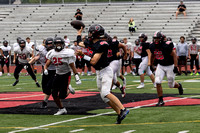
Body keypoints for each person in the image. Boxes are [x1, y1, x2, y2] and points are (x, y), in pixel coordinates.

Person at [76, 25, 129, 124]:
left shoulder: (102, 44)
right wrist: (79, 33)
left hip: (105, 70)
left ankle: (123, 109)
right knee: (104, 97)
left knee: (105, 92)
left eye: (91, 32)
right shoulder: (92, 42)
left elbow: (93, 62)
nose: (89, 34)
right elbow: (80, 43)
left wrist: (83, 55)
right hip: (99, 71)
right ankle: (119, 114)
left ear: (95, 34)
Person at [44, 37, 81, 115]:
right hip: (57, 74)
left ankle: (69, 90)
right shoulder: (52, 53)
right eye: (57, 43)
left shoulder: (67, 53)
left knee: (62, 96)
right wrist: (45, 70)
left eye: (60, 43)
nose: (58, 45)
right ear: (54, 44)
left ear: (63, 44)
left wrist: (77, 77)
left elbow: (72, 66)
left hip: (66, 75)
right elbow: (47, 64)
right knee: (53, 93)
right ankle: (61, 109)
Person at [150, 31, 183, 106]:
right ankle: (161, 100)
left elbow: (174, 55)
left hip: (169, 65)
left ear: (161, 39)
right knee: (157, 81)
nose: (156, 40)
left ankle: (179, 86)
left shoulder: (166, 46)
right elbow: (153, 55)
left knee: (171, 85)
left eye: (158, 38)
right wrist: (151, 65)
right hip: (160, 65)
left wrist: (175, 66)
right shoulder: (152, 46)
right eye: (155, 38)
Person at [29, 38, 57, 108]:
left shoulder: (56, 51)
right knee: (44, 86)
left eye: (51, 44)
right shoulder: (42, 49)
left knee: (49, 87)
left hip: (55, 69)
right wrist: (28, 63)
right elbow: (37, 57)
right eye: (48, 44)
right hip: (45, 69)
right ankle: (65, 85)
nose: (50, 45)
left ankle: (45, 102)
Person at [103, 33, 128, 97]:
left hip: (115, 60)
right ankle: (121, 88)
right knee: (114, 80)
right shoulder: (101, 43)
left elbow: (122, 46)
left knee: (109, 75)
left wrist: (125, 54)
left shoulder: (113, 42)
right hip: (108, 61)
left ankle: (109, 91)